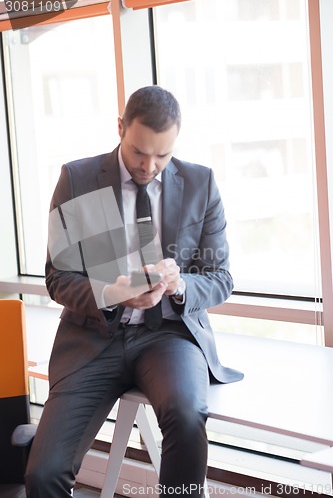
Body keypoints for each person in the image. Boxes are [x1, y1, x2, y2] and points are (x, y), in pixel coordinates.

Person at [25, 85, 243, 497]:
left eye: (162, 155)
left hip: (169, 336)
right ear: (121, 127)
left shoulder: (200, 183)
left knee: (187, 412)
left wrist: (179, 285)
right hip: (94, 337)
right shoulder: (79, 179)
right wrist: (113, 292)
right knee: (43, 472)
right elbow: (58, 277)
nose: (150, 166)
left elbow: (220, 277)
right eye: (140, 152)